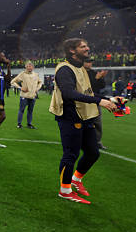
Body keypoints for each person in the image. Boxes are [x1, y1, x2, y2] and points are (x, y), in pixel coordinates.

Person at [50, 39, 117, 204]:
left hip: (85, 116)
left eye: (87, 45)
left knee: (93, 152)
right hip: (70, 117)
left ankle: (76, 180)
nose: (87, 48)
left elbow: (88, 93)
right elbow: (68, 93)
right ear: (72, 50)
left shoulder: (81, 68)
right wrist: (99, 101)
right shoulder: (64, 69)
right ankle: (65, 191)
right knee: (70, 155)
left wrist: (109, 99)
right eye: (83, 46)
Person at [83, 58, 108, 150]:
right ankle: (82, 140)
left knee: (97, 122)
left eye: (91, 62)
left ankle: (97, 141)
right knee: (84, 122)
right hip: (84, 101)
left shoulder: (94, 73)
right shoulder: (80, 73)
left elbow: (102, 86)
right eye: (88, 62)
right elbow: (87, 88)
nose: (90, 64)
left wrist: (101, 78)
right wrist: (96, 79)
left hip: (95, 100)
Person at [11, 61, 42, 128]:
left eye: (30, 66)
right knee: (21, 110)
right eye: (27, 66)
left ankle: (29, 124)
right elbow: (12, 82)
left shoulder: (36, 74)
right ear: (25, 67)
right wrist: (20, 88)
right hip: (24, 96)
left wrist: (37, 89)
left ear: (33, 67)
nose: (29, 67)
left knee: (30, 111)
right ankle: (19, 124)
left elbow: (40, 82)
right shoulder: (22, 74)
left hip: (32, 96)